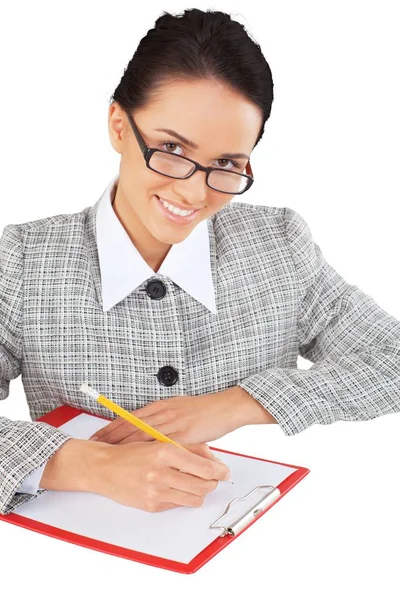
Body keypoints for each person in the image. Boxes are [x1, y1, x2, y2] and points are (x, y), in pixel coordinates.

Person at [1, 8, 399, 517]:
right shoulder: (25, 261)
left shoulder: (279, 245)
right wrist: (86, 465)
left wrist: (237, 404)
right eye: (170, 148)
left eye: (227, 164)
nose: (194, 192)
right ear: (119, 126)